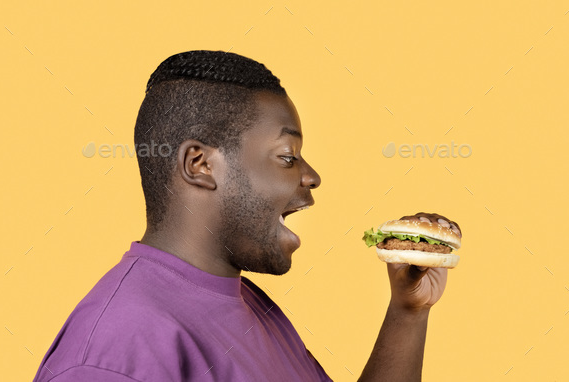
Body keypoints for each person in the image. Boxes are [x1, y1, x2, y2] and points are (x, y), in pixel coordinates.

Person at [33, 50, 459, 381]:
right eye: (287, 156)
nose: (312, 176)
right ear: (200, 165)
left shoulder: (249, 305)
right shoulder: (118, 350)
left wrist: (408, 312)